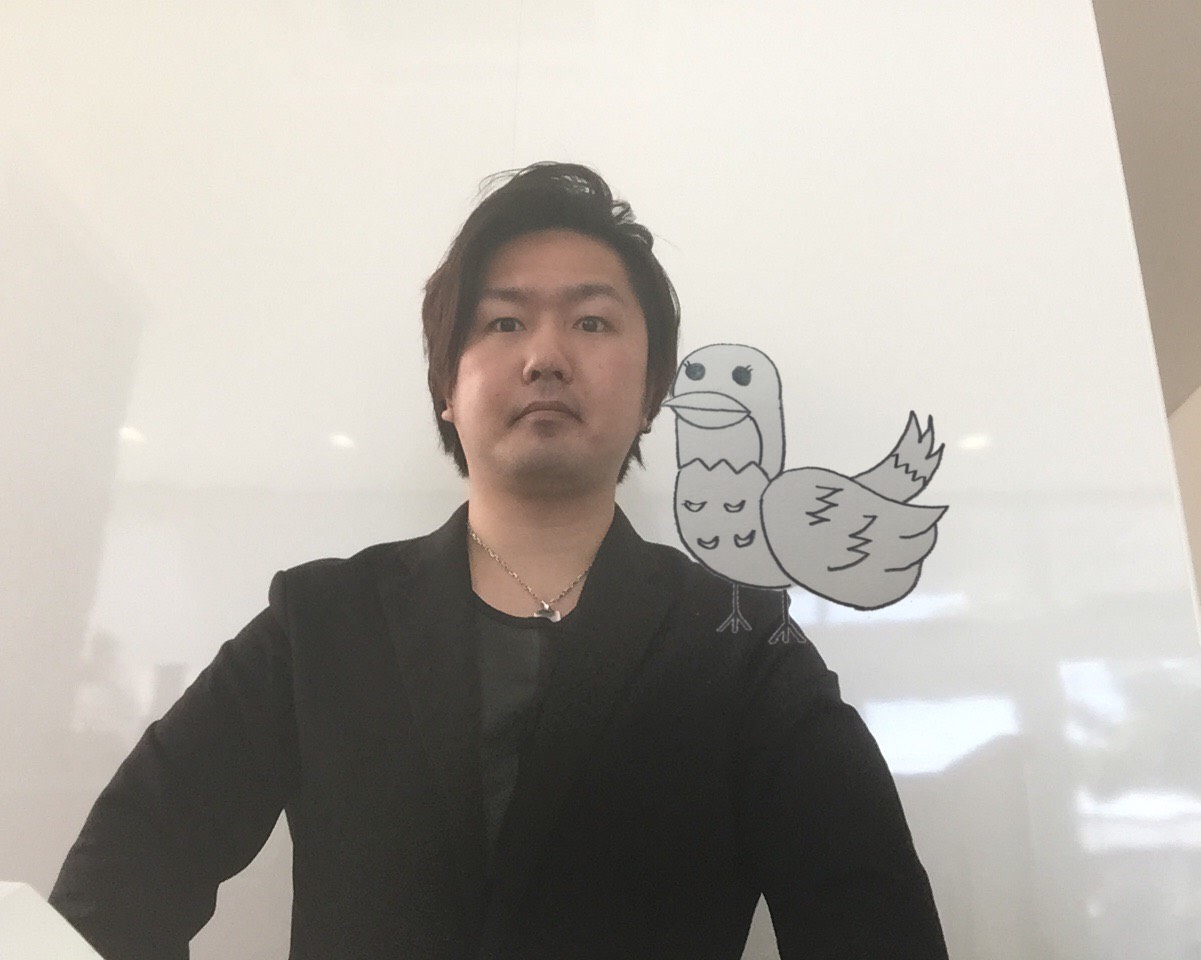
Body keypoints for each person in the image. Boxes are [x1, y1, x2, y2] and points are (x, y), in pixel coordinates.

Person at [50, 162, 948, 959]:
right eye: (505, 321)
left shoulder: (743, 645)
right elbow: (119, 876)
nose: (546, 357)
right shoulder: (321, 624)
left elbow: (876, 924)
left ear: (652, 391)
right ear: (447, 386)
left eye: (592, 321)